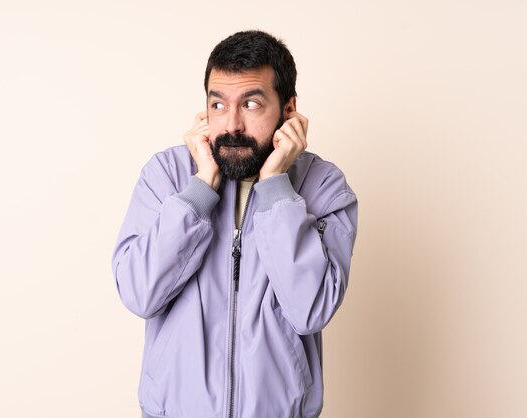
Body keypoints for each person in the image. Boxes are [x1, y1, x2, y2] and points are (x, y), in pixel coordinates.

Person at [111, 30, 358, 418]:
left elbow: (310, 310)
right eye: (218, 104)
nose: (232, 125)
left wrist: (276, 188)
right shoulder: (166, 176)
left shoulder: (324, 188)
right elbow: (140, 293)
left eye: (252, 104)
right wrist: (198, 192)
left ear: (289, 110)